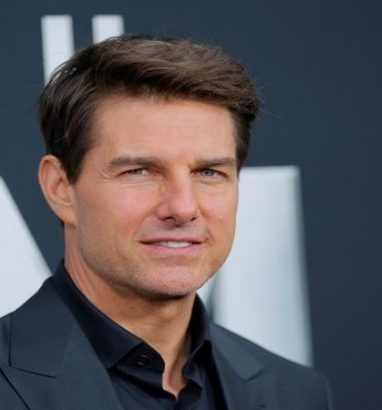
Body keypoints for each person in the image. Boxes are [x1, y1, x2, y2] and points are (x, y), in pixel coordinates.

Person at [0, 34, 332, 409]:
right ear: (61, 188)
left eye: (208, 172)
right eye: (140, 171)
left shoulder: (297, 393)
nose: (183, 207)